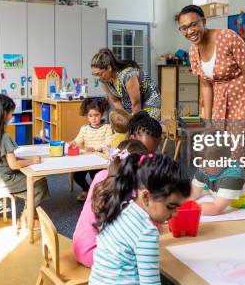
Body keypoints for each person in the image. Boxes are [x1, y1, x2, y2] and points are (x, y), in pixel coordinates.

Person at [177, 5, 245, 177]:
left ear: (203, 22)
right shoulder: (193, 52)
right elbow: (206, 85)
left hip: (243, 97)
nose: (190, 31)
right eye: (184, 28)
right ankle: (228, 194)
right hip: (220, 105)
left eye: (193, 24)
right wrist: (206, 121)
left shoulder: (227, 37)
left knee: (242, 149)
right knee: (221, 150)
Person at [90, 153, 191, 284]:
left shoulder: (121, 207)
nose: (176, 213)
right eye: (171, 206)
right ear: (146, 197)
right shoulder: (146, 232)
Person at [72, 139, 149, 267]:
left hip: (80, 246)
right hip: (97, 255)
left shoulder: (101, 176)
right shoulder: (131, 190)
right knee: (146, 252)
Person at [0, 95, 49, 220]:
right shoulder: (5, 137)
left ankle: (29, 209)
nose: (12, 116)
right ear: (3, 114)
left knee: (31, 183)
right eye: (11, 113)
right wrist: (32, 160)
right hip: (4, 181)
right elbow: (14, 165)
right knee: (39, 182)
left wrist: (24, 160)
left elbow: (6, 160)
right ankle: (26, 215)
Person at [91, 48, 161, 120]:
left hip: (149, 100)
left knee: (144, 127)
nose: (98, 78)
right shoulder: (103, 80)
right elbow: (115, 101)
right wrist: (125, 119)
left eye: (99, 74)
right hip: (130, 103)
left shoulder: (128, 75)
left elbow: (136, 103)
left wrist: (134, 124)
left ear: (109, 68)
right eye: (95, 75)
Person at [70, 97, 113, 201]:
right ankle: (87, 189)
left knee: (95, 176)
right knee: (77, 176)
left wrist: (94, 149)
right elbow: (79, 140)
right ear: (87, 116)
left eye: (96, 115)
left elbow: (108, 143)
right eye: (91, 116)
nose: (94, 118)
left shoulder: (107, 127)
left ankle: (98, 193)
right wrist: (74, 143)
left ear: (102, 114)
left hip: (100, 159)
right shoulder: (84, 128)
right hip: (87, 159)